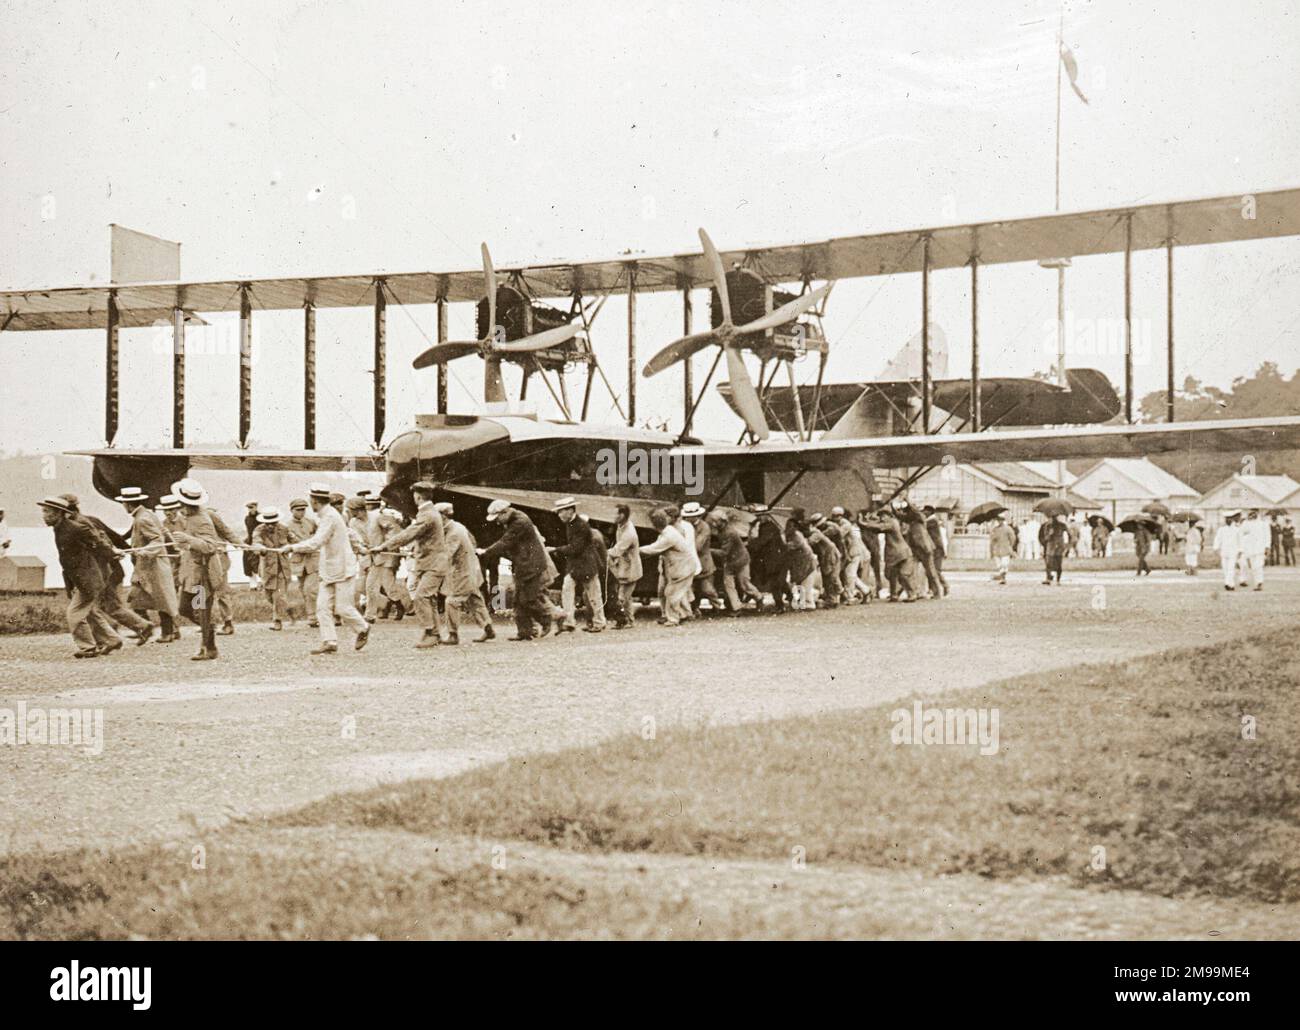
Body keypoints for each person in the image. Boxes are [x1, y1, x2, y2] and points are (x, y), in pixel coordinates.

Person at [283, 483, 370, 654]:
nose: (310, 503)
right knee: (322, 607)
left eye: (311, 500)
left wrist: (292, 548)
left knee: (343, 608)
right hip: (329, 569)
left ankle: (363, 628)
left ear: (315, 501)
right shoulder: (326, 516)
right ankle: (329, 641)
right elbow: (346, 534)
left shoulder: (330, 517)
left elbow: (316, 542)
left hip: (343, 568)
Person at [38, 495, 121, 658]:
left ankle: (88, 647)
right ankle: (112, 639)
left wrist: (112, 554)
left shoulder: (74, 528)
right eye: (43, 511)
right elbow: (68, 559)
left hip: (88, 579)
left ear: (58, 513)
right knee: (90, 612)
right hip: (82, 578)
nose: (44, 516)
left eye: (47, 512)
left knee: (74, 614)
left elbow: (97, 541)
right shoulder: (59, 528)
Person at [378, 481, 449, 647]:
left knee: (421, 596)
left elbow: (409, 533)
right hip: (432, 563)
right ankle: (434, 633)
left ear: (417, 496)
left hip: (433, 564)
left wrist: (384, 546)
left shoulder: (427, 514)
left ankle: (430, 632)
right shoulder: (430, 513)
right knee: (429, 598)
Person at [478, 499, 558, 641]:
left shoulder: (519, 522)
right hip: (524, 564)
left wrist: (486, 552)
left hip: (531, 565)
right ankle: (525, 632)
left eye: (497, 518)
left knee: (528, 599)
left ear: (504, 512)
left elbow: (506, 542)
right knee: (518, 600)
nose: (497, 522)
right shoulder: (514, 518)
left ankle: (547, 619)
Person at [172, 478, 241, 635]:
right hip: (194, 568)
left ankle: (225, 623)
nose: (180, 508)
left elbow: (226, 531)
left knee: (221, 593)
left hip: (213, 563)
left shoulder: (208, 515)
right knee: (194, 606)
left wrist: (240, 544)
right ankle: (207, 626)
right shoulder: (184, 518)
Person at [115, 486, 179, 642]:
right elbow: (164, 532)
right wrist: (174, 546)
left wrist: (143, 551)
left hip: (152, 566)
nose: (124, 506)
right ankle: (147, 630)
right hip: (150, 564)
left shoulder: (142, 518)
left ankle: (165, 633)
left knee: (158, 599)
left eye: (124, 503)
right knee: (140, 599)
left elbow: (157, 539)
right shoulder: (147, 514)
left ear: (128, 504)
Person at [438, 502, 494, 644]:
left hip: (463, 573)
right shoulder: (459, 527)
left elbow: (447, 554)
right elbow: (473, 542)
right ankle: (488, 629)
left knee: (451, 601)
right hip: (472, 570)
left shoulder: (453, 533)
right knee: (475, 601)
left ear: (443, 516)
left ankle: (453, 635)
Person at [550, 496, 606, 633]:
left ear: (570, 510)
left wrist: (556, 549)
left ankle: (599, 622)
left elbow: (576, 548)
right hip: (577, 565)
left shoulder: (580, 525)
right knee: (568, 591)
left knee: (593, 595)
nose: (559, 515)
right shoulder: (572, 524)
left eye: (561, 511)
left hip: (586, 566)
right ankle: (569, 622)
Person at [639, 508, 695, 626]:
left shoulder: (668, 535)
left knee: (672, 593)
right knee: (676, 592)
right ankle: (686, 615)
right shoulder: (668, 530)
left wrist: (635, 550)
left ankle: (673, 619)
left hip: (682, 567)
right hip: (683, 566)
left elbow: (653, 548)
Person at [861, 505, 916, 601]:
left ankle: (912, 594)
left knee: (903, 575)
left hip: (900, 552)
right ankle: (894, 594)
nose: (881, 518)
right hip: (895, 553)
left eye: (883, 516)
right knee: (891, 575)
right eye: (881, 516)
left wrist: (863, 522)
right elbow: (876, 528)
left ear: (889, 515)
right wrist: (869, 520)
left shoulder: (892, 523)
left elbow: (878, 527)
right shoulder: (891, 522)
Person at [251, 506, 293, 630]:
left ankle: (277, 620)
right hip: (267, 569)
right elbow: (256, 542)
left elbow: (294, 541)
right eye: (268, 523)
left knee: (279, 595)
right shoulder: (259, 530)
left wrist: (290, 547)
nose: (271, 526)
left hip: (282, 568)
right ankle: (283, 609)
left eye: (273, 523)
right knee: (269, 595)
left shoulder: (284, 529)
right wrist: (260, 548)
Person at [712, 510, 760, 614]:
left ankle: (758, 597)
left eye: (715, 521)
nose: (713, 523)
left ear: (723, 521)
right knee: (729, 584)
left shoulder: (729, 533)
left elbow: (724, 552)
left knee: (744, 584)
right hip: (731, 561)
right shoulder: (723, 530)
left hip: (740, 561)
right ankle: (736, 607)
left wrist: (709, 550)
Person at [606, 503, 643, 629]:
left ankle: (626, 621)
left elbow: (617, 550)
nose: (612, 516)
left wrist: (602, 553)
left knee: (623, 597)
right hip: (624, 567)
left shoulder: (629, 533)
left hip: (630, 569)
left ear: (622, 515)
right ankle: (629, 620)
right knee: (625, 597)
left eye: (614, 513)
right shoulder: (621, 526)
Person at [285, 498, 320, 626]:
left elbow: (318, 538)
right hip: (299, 562)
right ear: (292, 511)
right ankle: (313, 616)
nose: (301, 512)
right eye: (298, 510)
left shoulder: (311, 522)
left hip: (314, 560)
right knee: (303, 589)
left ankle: (314, 618)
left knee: (310, 589)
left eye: (303, 509)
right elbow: (286, 543)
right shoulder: (286, 526)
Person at [748, 505, 791, 612]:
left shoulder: (767, 528)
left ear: (766, 515)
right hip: (777, 558)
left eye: (761, 515)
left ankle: (780, 606)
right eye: (758, 515)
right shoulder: (770, 526)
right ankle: (790, 597)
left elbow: (762, 542)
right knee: (779, 581)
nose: (759, 518)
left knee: (774, 583)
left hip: (774, 559)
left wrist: (750, 544)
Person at [682, 501, 722, 614]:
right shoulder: (685, 525)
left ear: (696, 516)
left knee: (707, 589)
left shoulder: (704, 527)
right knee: (693, 589)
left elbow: (698, 546)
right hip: (690, 562)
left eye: (690, 516)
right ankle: (695, 609)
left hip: (704, 563)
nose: (687, 518)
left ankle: (717, 606)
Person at [783, 513, 818, 609]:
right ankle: (806, 602)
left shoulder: (796, 536)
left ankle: (809, 604)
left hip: (806, 562)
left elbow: (791, 546)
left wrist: (783, 544)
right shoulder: (791, 535)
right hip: (800, 562)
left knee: (805, 585)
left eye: (790, 526)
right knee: (802, 584)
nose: (788, 527)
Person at [808, 514, 842, 608]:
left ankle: (833, 599)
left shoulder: (816, 533)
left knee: (830, 576)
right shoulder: (819, 531)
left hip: (829, 555)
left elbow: (809, 542)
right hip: (828, 555)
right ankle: (832, 598)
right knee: (828, 576)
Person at [1240, 509, 1269, 591]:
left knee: (1258, 566)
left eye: (1255, 512)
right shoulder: (1246, 523)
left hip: (1260, 549)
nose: (1253, 514)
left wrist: (1267, 547)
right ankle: (1257, 582)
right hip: (1250, 549)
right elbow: (1242, 533)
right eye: (1251, 513)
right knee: (1254, 567)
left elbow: (1267, 536)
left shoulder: (1264, 524)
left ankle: (1259, 583)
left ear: (1258, 513)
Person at [1213, 511, 1243, 592]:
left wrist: (1240, 550)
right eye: (1226, 519)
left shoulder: (1237, 529)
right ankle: (1231, 584)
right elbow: (1217, 539)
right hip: (1224, 551)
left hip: (1233, 551)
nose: (1228, 520)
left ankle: (1227, 583)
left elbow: (1240, 541)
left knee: (1231, 568)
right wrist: (1216, 548)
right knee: (1225, 568)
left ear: (1232, 519)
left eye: (1229, 519)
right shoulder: (1221, 530)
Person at [1039, 514, 1067, 585]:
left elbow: (1068, 534)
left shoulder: (1062, 525)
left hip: (1057, 547)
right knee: (1049, 563)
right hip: (1051, 546)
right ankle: (1049, 578)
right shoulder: (1047, 526)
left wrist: (1066, 545)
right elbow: (1044, 537)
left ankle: (1057, 579)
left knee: (1057, 563)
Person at [989, 514, 1016, 585]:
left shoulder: (1008, 528)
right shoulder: (995, 529)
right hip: (997, 549)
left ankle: (1001, 578)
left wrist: (1010, 546)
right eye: (998, 520)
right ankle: (1001, 578)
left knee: (1004, 564)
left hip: (1006, 549)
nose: (999, 521)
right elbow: (992, 540)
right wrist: (991, 551)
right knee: (999, 565)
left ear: (1003, 521)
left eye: (1001, 520)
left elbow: (1013, 538)